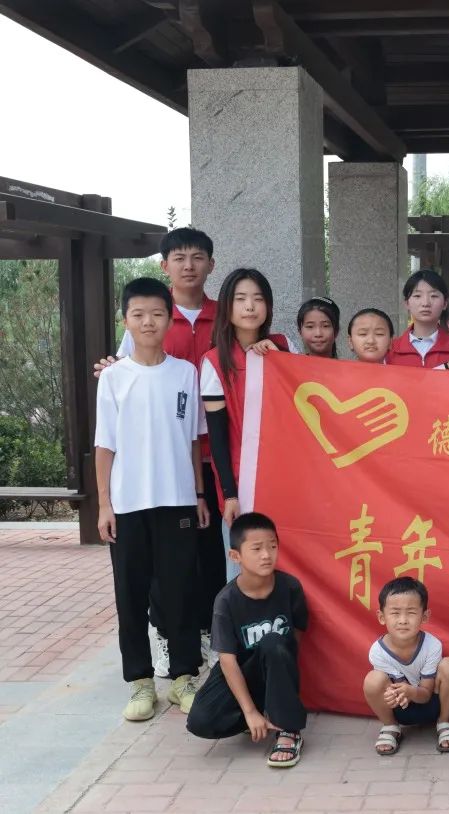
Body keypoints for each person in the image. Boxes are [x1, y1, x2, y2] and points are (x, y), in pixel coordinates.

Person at [94, 227, 222, 677]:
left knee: (188, 577)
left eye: (156, 315)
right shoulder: (117, 375)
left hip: (186, 487)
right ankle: (143, 675)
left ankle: (188, 665)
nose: (148, 322)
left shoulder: (191, 366)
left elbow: (193, 437)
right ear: (127, 321)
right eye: (139, 315)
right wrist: (105, 503)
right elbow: (105, 442)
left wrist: (199, 493)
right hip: (132, 498)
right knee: (134, 589)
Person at [186, 512, 309, 767]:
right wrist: (250, 712)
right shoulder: (226, 600)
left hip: (276, 665)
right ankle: (258, 715)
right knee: (200, 720)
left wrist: (283, 671)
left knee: (275, 643)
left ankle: (288, 730)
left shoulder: (290, 587)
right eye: (257, 548)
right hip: (241, 669)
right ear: (235, 556)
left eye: (272, 546)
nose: (266, 555)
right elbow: (227, 661)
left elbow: (296, 636)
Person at [201, 268, 290, 583]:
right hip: (242, 481)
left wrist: (282, 362)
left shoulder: (283, 346)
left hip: (285, 477)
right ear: (227, 306)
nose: (250, 306)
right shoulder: (214, 362)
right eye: (240, 299)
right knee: (244, 570)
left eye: (258, 298)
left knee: (287, 562)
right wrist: (229, 494)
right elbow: (218, 438)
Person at [363, 577, 449, 756]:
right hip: (400, 708)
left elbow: (425, 695)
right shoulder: (377, 651)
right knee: (372, 680)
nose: (403, 620)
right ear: (381, 617)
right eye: (395, 613)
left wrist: (409, 692)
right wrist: (392, 696)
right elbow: (395, 693)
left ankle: (444, 722)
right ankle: (391, 727)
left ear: (425, 616)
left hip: (430, 703)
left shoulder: (432, 645)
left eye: (411, 613)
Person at [386, 270, 449, 367]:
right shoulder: (390, 350)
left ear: (445, 303)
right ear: (407, 303)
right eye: (417, 296)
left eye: (433, 296)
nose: (425, 303)